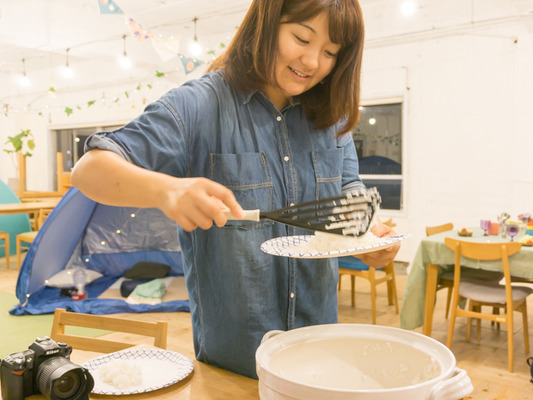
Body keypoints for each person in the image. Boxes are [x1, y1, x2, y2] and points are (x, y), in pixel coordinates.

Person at [71, 0, 400, 379]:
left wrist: (369, 234)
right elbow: (89, 171)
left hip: (317, 346)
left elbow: (348, 188)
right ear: (267, 23)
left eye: (330, 52)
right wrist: (167, 190)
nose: (312, 62)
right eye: (301, 38)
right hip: (236, 358)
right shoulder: (200, 104)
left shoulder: (331, 117)